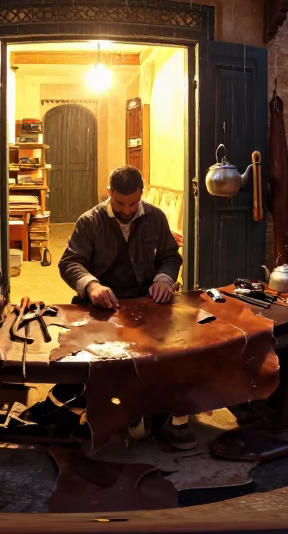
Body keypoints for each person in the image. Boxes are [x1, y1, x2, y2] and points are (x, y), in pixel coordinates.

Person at [58, 165, 195, 449]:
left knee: (169, 351)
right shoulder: (90, 221)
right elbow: (70, 262)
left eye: (134, 202)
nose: (128, 209)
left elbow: (171, 256)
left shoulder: (155, 217)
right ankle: (112, 411)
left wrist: (164, 279)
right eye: (120, 203)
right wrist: (92, 286)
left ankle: (165, 414)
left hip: (146, 301)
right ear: (109, 194)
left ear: (141, 194)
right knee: (98, 360)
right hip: (101, 304)